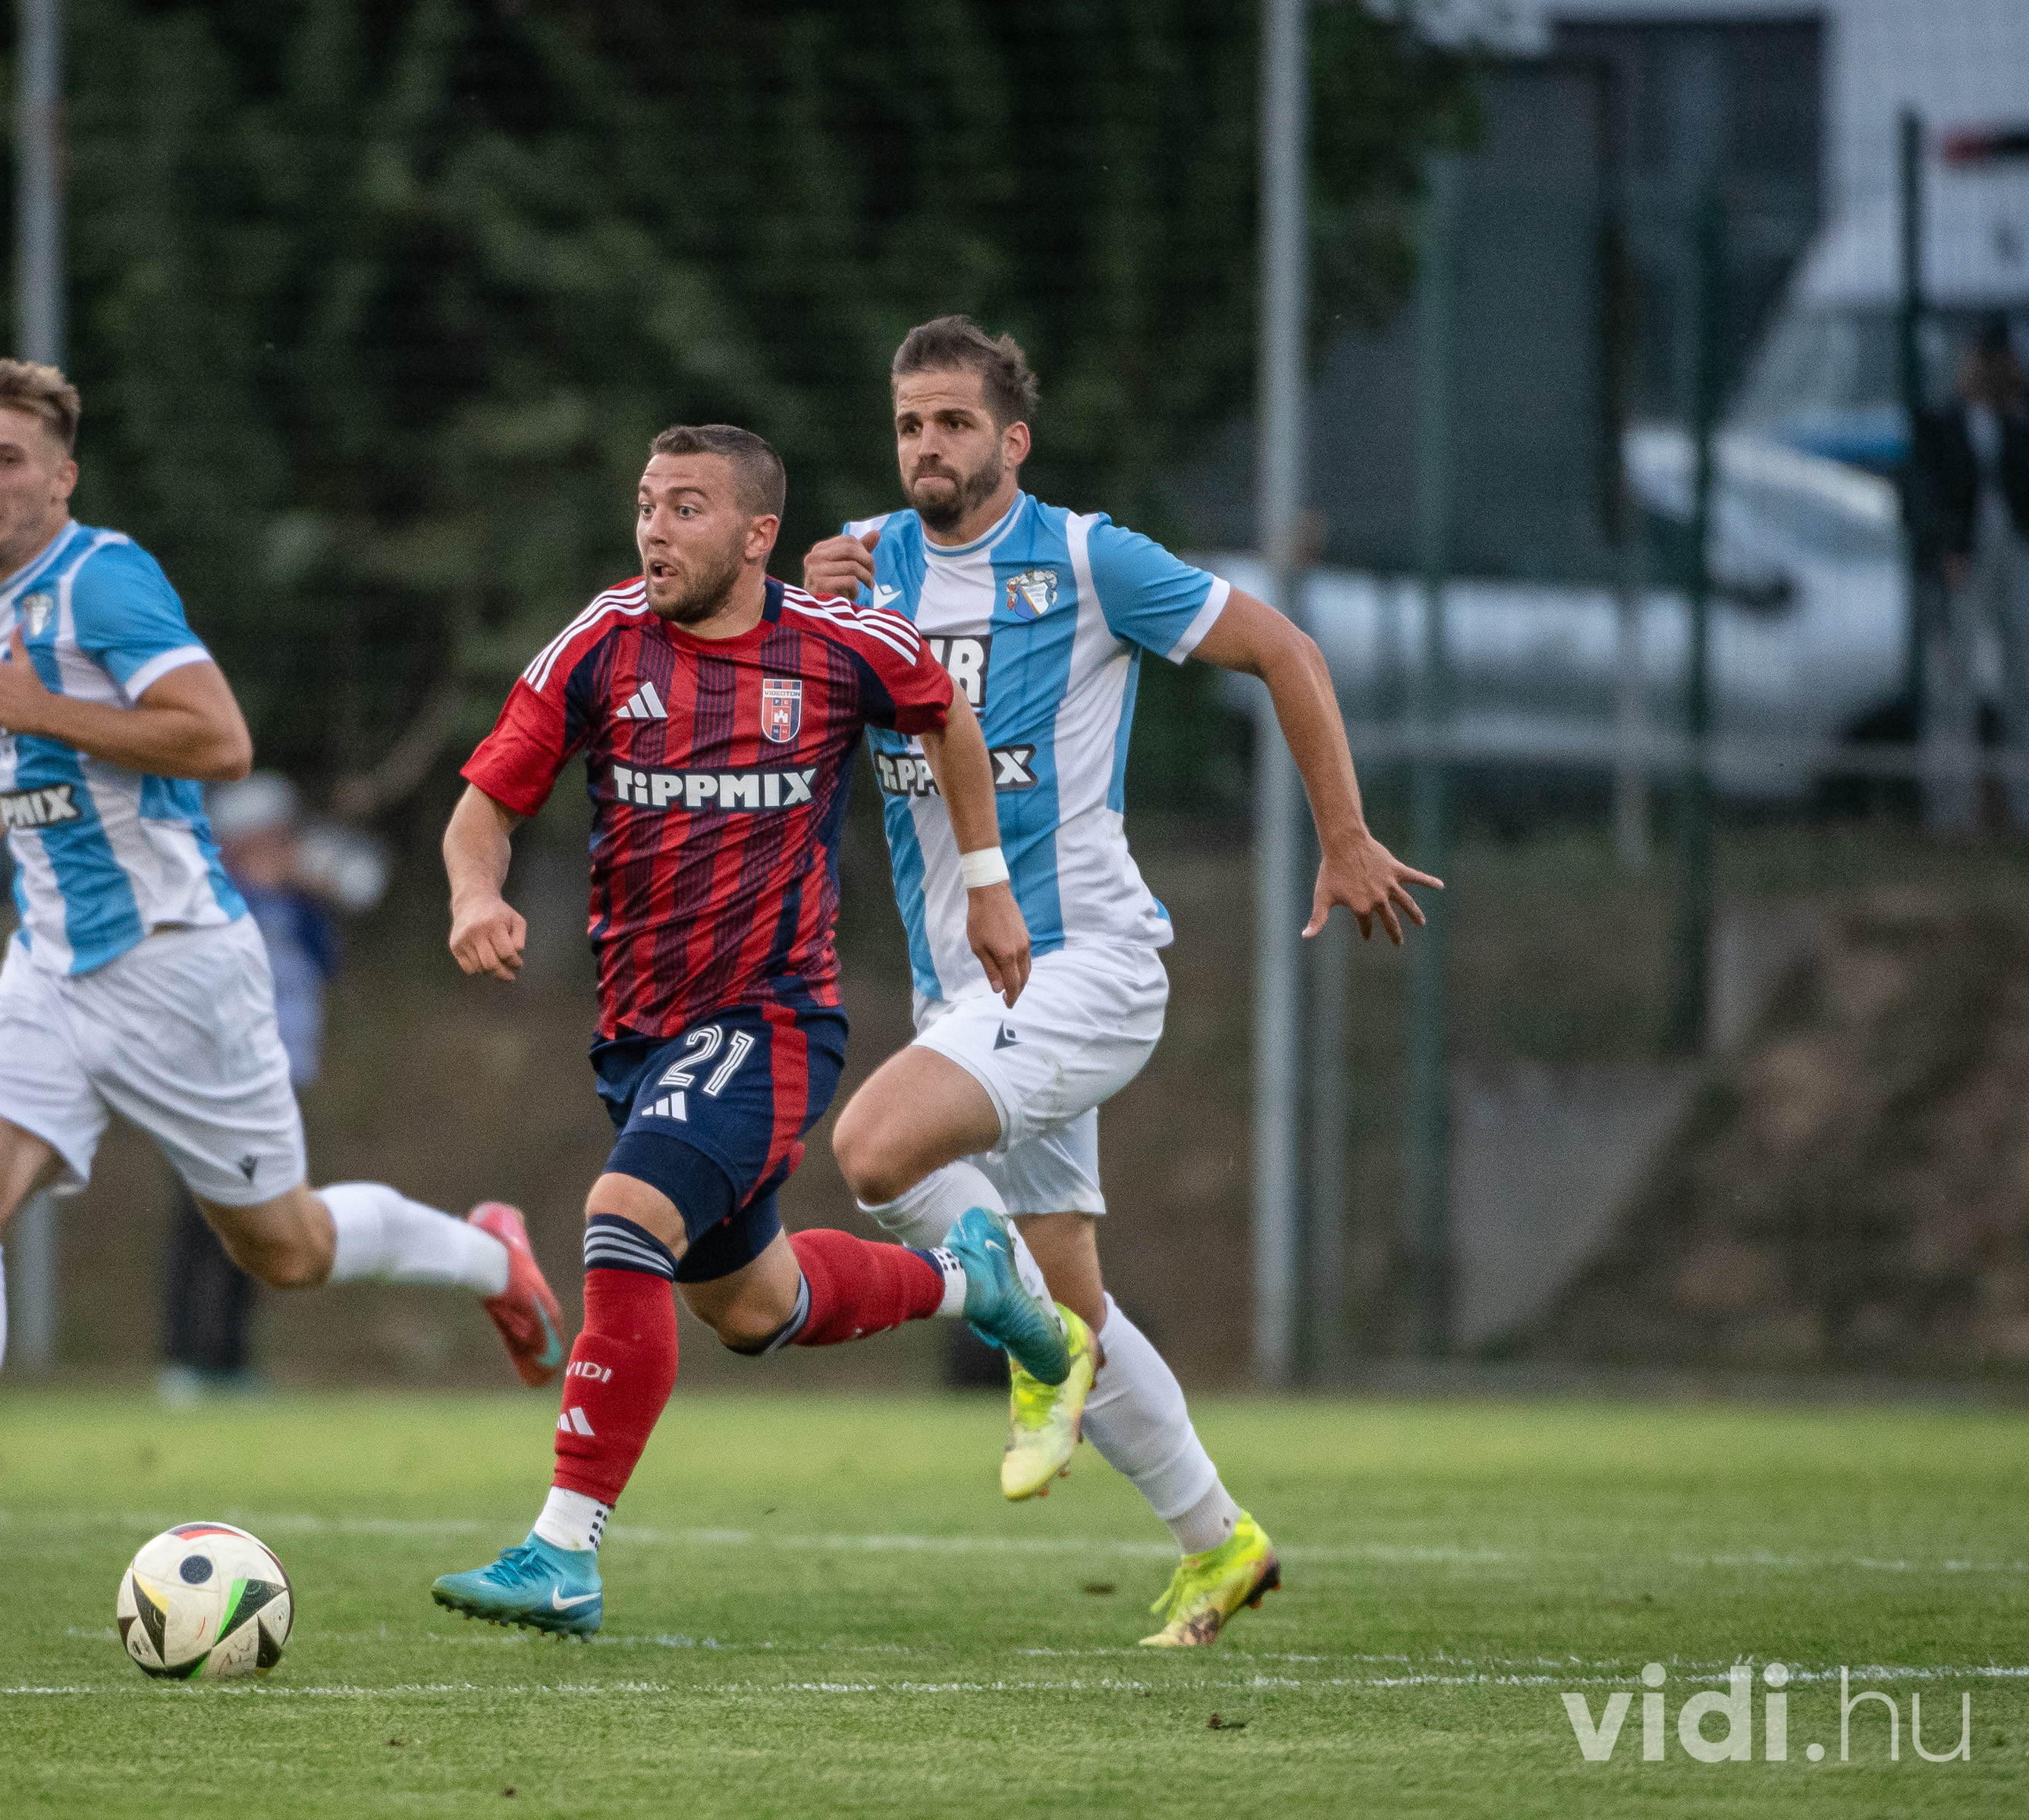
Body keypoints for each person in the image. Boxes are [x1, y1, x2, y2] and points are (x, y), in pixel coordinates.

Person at [0, 359, 567, 1589]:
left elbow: (218, 741)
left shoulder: (102, 578)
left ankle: (492, 1256)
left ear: (61, 479)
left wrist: (43, 720)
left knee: (285, 1247)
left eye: (7, 460)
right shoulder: (1, 609)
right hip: (51, 972)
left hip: (177, 971)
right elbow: (90, 777)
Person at [805, 317, 1437, 1647]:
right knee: (1071, 1291)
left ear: (1014, 441)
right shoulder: (862, 567)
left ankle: (1028, 1345)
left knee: (873, 1149)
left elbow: (1287, 649)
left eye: (955, 423)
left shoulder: (1091, 561)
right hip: (966, 993)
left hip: (1085, 965)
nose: (929, 445)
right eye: (911, 423)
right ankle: (1221, 1543)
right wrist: (810, 612)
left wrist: (1343, 835)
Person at [427, 424, 1080, 1636]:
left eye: (687, 508)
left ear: (756, 535)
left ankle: (562, 1554)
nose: (655, 530)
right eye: (647, 504)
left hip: (770, 1018)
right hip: (640, 1036)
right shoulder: (602, 640)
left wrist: (988, 884)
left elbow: (946, 717)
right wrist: (475, 896)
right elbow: (483, 809)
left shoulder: (837, 644)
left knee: (624, 1219)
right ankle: (970, 1282)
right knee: (751, 1310)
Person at [159, 774, 342, 1404]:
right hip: (213, 1082)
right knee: (199, 1219)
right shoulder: (212, 897)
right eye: (272, 836)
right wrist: (256, 888)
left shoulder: (298, 904)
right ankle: (182, 1360)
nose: (285, 847)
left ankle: (230, 1359)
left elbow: (327, 963)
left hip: (282, 1078)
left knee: (264, 1219)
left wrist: (310, 898)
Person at [1916, 317, 2029, 832]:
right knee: (1955, 683)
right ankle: (1951, 810)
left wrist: (2020, 402)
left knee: (2026, 678)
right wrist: (1946, 548)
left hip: (2017, 549)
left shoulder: (2024, 418)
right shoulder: (1941, 422)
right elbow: (1923, 495)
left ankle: (2027, 807)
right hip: (1964, 555)